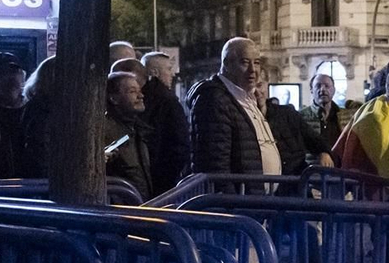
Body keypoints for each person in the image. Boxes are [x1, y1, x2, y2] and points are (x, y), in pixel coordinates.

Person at [189, 38, 281, 178]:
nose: (253, 70)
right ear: (226, 64)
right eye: (244, 62)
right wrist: (231, 198)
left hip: (256, 195)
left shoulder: (246, 96)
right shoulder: (215, 99)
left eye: (256, 63)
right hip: (239, 197)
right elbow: (216, 163)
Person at [140, 51, 189, 193]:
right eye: (168, 69)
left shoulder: (141, 99)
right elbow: (180, 142)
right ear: (155, 72)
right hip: (164, 181)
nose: (172, 74)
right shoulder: (168, 101)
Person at [259, 82, 331, 177]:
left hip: (294, 178)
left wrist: (324, 152)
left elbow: (312, 138)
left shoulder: (287, 114)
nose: (256, 92)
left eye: (259, 85)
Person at [103, 72, 154, 199]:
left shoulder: (137, 129)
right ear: (113, 98)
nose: (140, 96)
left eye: (140, 90)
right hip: (121, 211)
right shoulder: (105, 131)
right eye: (132, 92)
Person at [0, 52, 29, 179]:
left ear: (23, 78)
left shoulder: (35, 113)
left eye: (15, 72)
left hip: (37, 192)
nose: (10, 78)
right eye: (1, 73)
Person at [301, 72, 354, 157]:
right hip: (313, 167)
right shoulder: (301, 116)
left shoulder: (347, 116)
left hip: (340, 167)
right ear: (311, 90)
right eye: (318, 86)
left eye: (327, 86)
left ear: (333, 90)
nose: (322, 89)